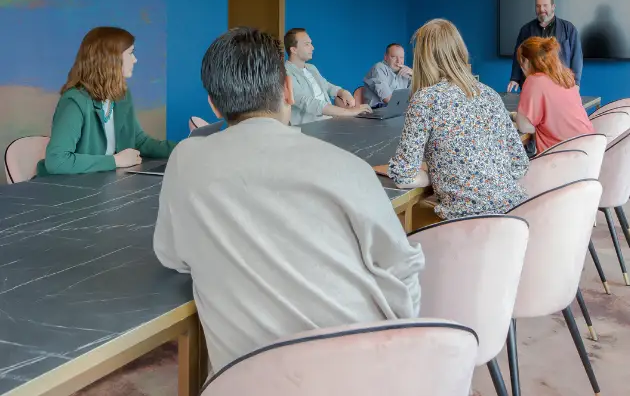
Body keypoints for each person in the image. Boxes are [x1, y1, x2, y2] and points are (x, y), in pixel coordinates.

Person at [153, 27, 424, 372]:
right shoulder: (349, 169)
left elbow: (172, 256)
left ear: (214, 105)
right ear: (287, 89)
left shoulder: (184, 159)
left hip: (248, 379)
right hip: (363, 370)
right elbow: (402, 270)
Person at [388, 19, 529, 222]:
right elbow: (519, 165)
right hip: (515, 220)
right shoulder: (490, 94)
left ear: (423, 59)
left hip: (466, 227)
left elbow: (403, 177)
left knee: (410, 217)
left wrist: (436, 177)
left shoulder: (425, 100)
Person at [38, 27, 176, 176]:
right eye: (130, 53)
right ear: (111, 59)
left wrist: (188, 148)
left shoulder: (121, 96)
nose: (135, 60)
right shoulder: (75, 101)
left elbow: (140, 142)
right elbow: (57, 161)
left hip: (100, 185)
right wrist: (115, 161)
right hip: (65, 190)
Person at [515, 37, 595, 154]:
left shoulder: (534, 81)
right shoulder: (565, 76)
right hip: (590, 149)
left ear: (526, 61)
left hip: (564, 156)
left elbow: (523, 126)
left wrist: (537, 126)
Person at [284, 28, 370, 124]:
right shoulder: (285, 72)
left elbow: (326, 85)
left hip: (328, 120)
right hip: (309, 126)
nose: (312, 48)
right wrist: (348, 112)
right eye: (307, 44)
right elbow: (306, 102)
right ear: (293, 49)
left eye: (311, 43)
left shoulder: (311, 68)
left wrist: (342, 92)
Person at [508, 0, 582, 92]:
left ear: (553, 6)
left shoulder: (569, 28)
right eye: (538, 6)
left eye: (545, 5)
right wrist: (515, 79)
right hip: (533, 87)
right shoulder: (526, 30)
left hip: (560, 85)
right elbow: (519, 55)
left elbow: (576, 56)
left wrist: (576, 82)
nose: (541, 9)